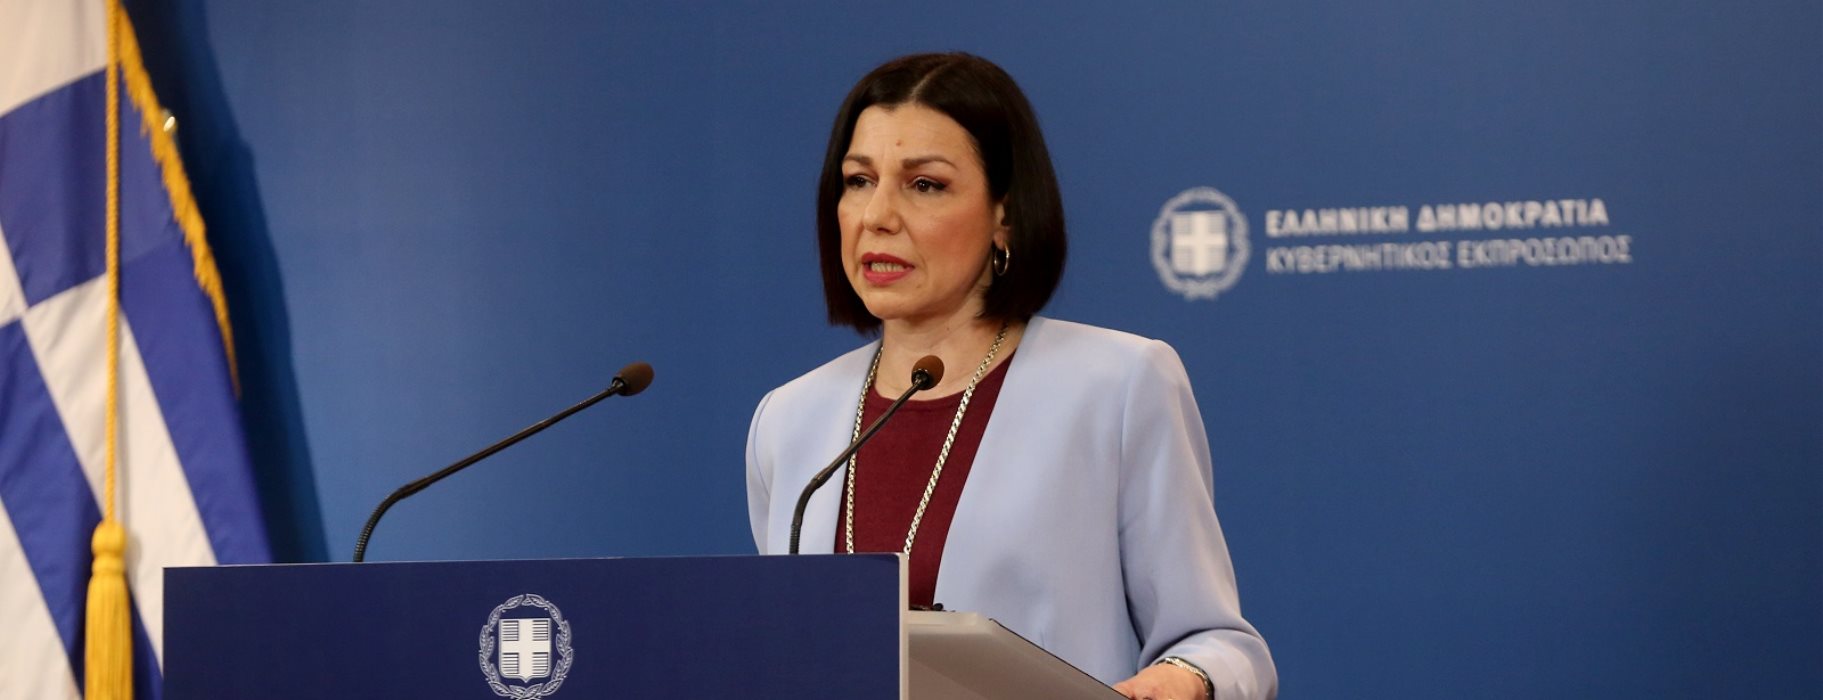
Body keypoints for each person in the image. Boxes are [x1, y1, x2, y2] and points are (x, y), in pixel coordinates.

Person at [745, 52, 1276, 700]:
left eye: (924, 185)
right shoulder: (789, 420)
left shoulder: (1117, 387)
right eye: (858, 180)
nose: (876, 215)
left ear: (1005, 215)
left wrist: (1185, 678)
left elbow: (1219, 643)